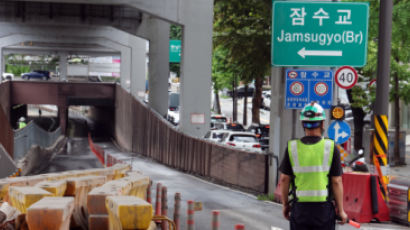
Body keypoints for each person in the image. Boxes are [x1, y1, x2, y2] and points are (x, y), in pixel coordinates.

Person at [279, 102, 347, 230]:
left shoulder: (292, 148)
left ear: (303, 124)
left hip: (300, 210)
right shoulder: (331, 148)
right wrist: (341, 210)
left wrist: (285, 205)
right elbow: (336, 181)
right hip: (323, 211)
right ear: (322, 123)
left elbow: (284, 179)